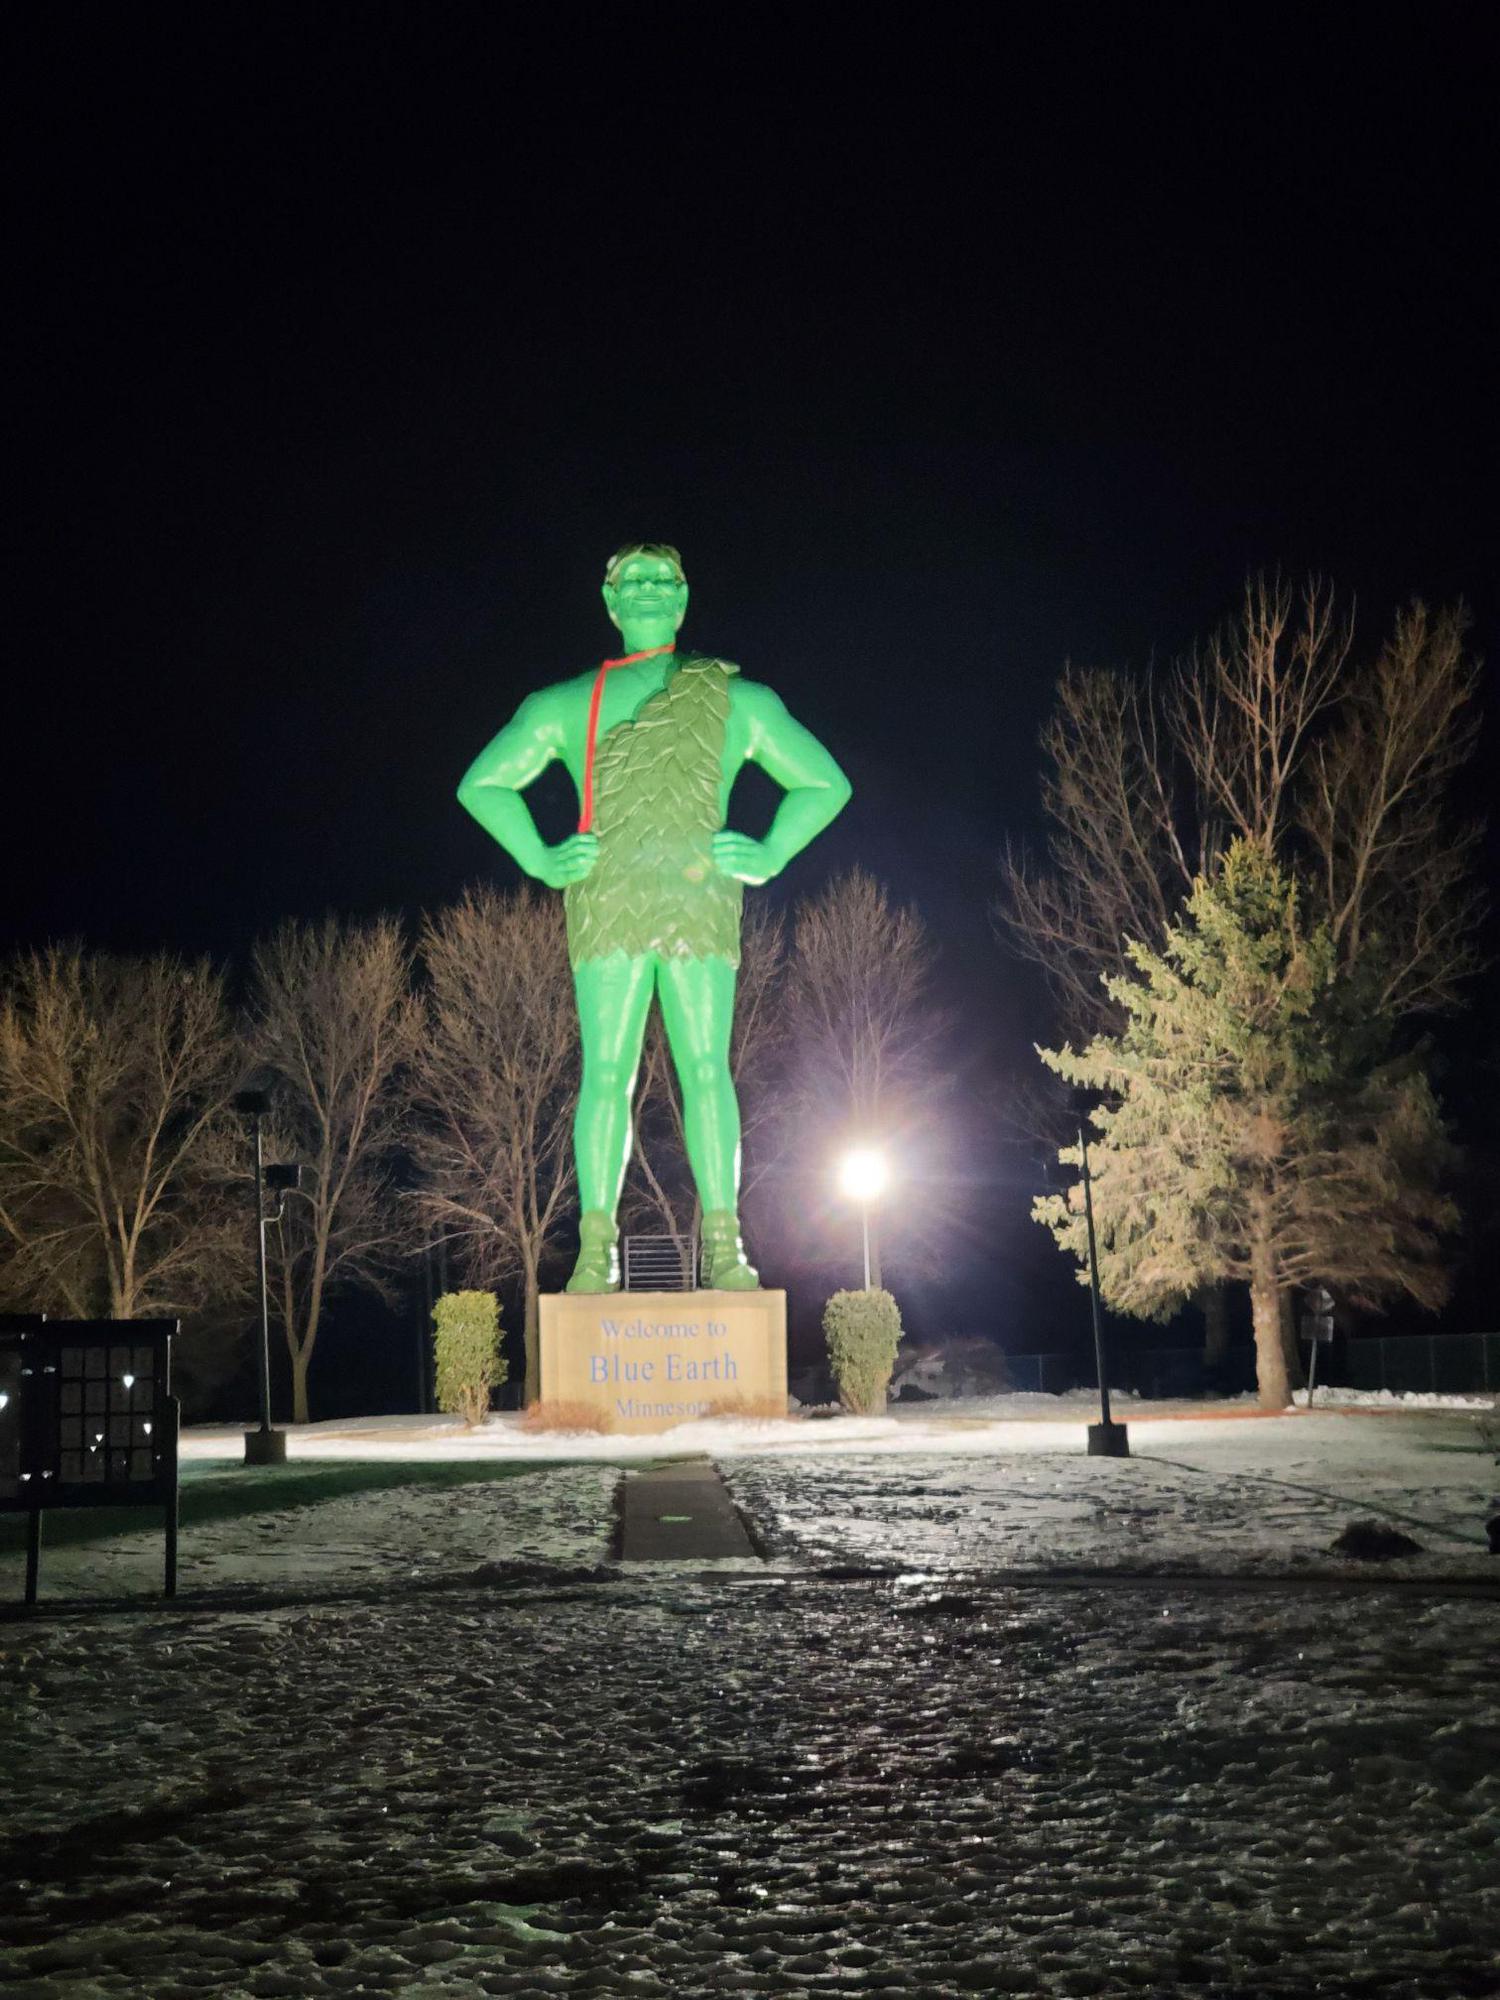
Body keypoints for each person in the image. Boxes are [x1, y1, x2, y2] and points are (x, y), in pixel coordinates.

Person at [458, 542, 851, 1291]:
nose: (644, 591)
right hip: (607, 901)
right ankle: (594, 1251)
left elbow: (824, 784)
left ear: (683, 596)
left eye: (658, 580)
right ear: (608, 603)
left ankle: (726, 1245)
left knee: (708, 1068)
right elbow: (483, 784)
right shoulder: (564, 704)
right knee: (605, 1070)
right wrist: (541, 858)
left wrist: (770, 850)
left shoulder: (735, 699)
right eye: (628, 582)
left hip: (699, 899)